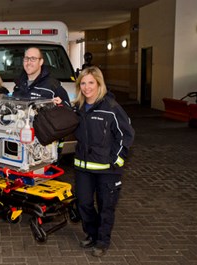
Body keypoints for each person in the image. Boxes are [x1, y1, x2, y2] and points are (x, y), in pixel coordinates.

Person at [72, 66, 135, 257]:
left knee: (106, 206)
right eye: (83, 83)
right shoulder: (78, 108)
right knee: (83, 203)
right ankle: (91, 234)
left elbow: (126, 134)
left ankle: (102, 241)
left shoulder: (112, 108)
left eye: (91, 82)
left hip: (107, 169)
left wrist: (117, 160)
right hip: (83, 167)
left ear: (99, 84)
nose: (86, 87)